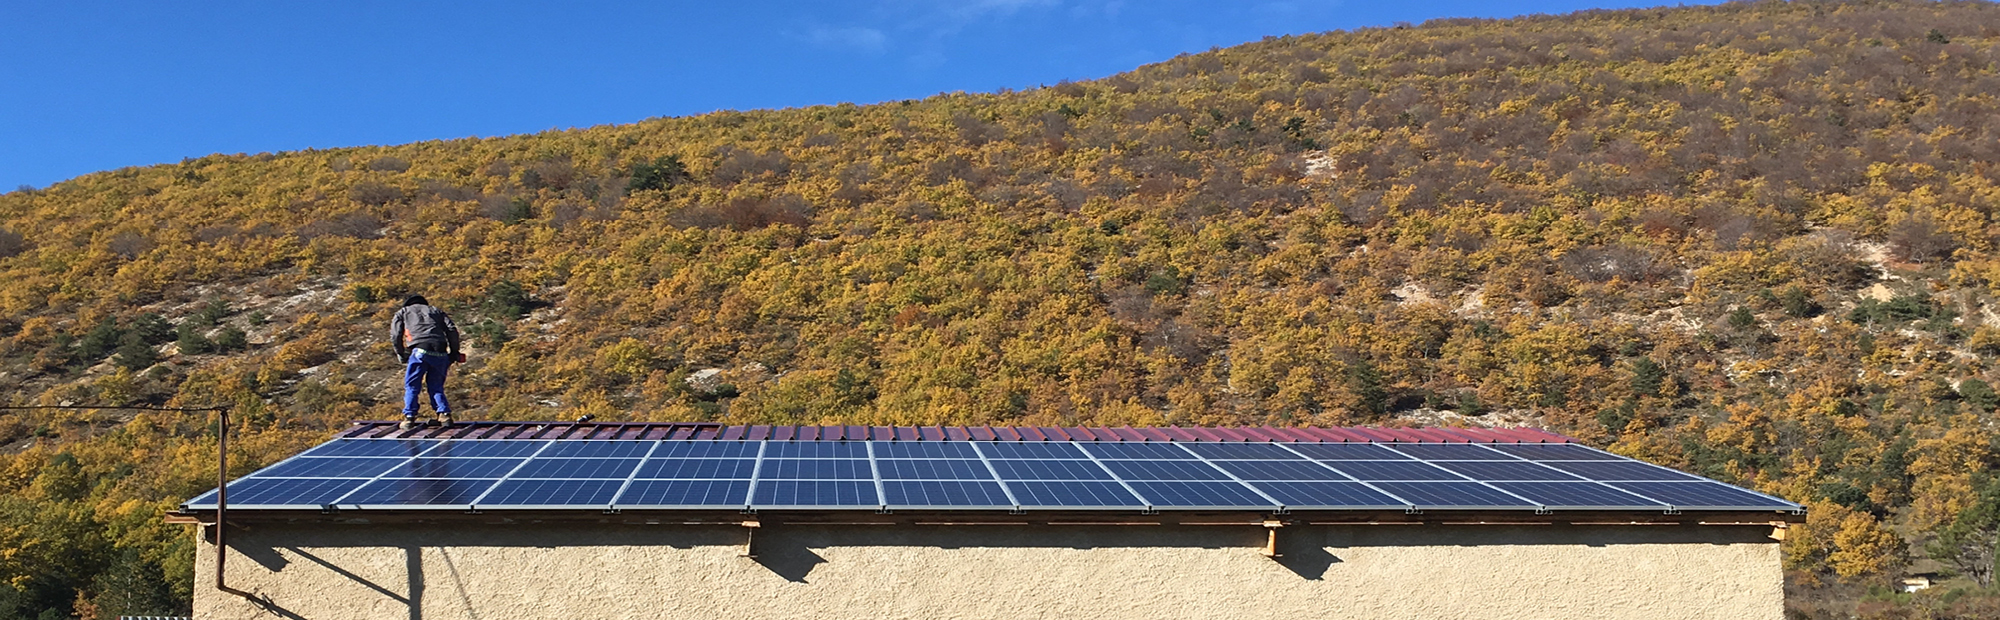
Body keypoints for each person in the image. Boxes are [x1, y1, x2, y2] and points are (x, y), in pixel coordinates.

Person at [390, 295, 463, 429]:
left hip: (420, 352)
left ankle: (409, 417)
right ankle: (444, 415)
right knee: (436, 386)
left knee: (412, 385)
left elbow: (395, 335)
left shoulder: (403, 312)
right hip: (440, 352)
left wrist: (400, 353)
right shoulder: (436, 311)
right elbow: (452, 330)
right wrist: (454, 352)